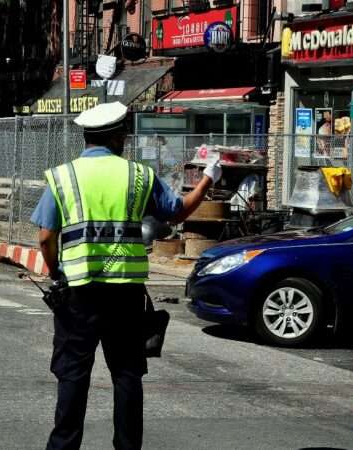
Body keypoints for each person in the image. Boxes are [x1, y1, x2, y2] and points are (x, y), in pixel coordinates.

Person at [31, 102, 221, 450]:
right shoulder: (139, 176)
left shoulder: (63, 176)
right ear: (117, 136)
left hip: (78, 294)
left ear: (87, 137)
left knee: (73, 377)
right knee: (127, 376)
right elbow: (178, 213)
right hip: (126, 296)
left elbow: (45, 237)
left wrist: (56, 271)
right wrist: (208, 178)